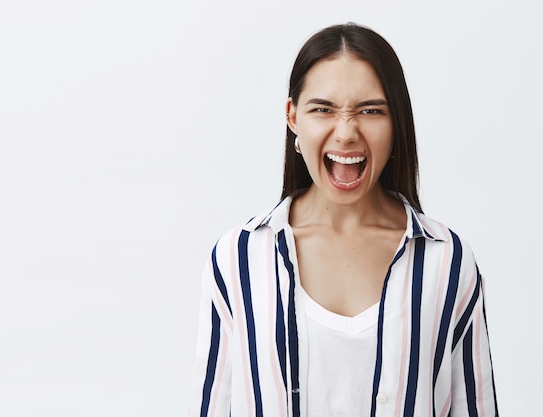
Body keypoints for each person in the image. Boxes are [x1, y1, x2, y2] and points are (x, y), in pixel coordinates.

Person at [189, 23, 498, 417]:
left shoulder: (448, 262)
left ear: (396, 122)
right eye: (323, 109)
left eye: (370, 110)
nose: (347, 132)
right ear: (293, 117)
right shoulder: (238, 259)